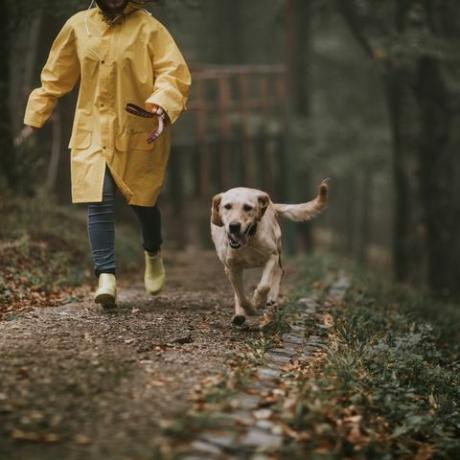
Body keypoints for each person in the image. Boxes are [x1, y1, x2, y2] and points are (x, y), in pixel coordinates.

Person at [22, 0, 192, 308]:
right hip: (92, 129)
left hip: (137, 128)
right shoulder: (79, 26)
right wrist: (35, 118)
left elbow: (173, 72)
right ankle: (106, 277)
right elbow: (55, 77)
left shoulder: (148, 27)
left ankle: (152, 251)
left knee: (143, 203)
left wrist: (161, 104)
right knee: (98, 199)